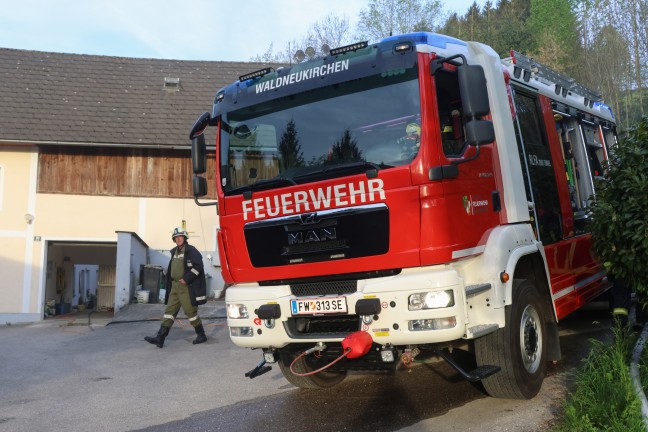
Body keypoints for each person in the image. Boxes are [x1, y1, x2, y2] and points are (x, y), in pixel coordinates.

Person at [144, 227, 208, 348]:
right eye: (176, 237)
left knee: (191, 313)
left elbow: (198, 266)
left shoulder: (191, 250)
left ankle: (201, 335)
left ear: (185, 238)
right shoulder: (174, 252)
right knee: (169, 312)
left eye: (180, 237)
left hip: (186, 287)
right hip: (174, 286)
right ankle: (160, 338)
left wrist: (186, 278)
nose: (178, 239)